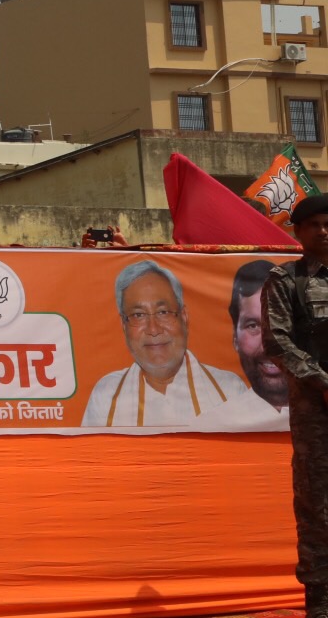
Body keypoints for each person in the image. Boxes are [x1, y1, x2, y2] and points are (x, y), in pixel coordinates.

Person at [81, 258, 248, 427]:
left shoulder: (229, 391)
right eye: (138, 315)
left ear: (184, 317)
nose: (153, 329)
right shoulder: (106, 397)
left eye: (163, 312)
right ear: (124, 326)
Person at [263, 193, 328, 617]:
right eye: (315, 225)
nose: (324, 231)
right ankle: (320, 599)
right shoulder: (287, 280)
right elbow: (276, 342)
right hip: (315, 413)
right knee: (317, 506)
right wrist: (321, 381)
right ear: (299, 232)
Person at [201, 260, 292, 430]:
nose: (268, 345)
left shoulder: (321, 417)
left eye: (280, 323)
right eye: (253, 326)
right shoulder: (211, 426)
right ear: (235, 337)